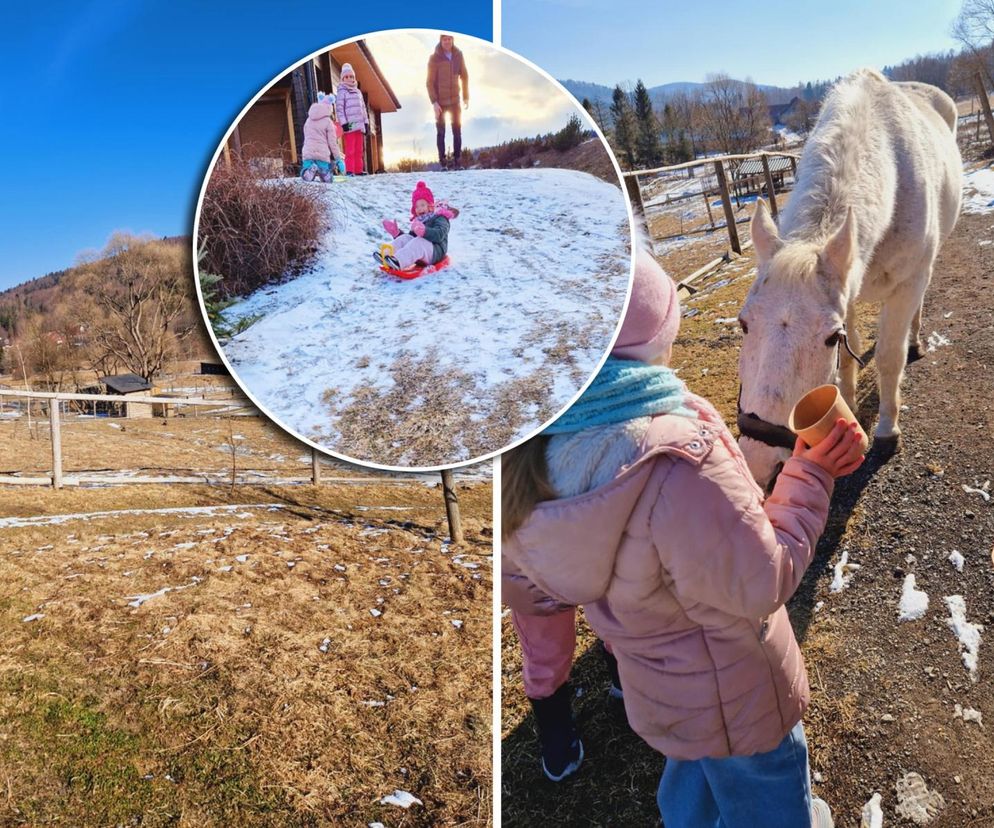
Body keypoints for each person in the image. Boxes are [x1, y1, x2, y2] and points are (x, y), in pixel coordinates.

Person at [502, 247, 864, 827]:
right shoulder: (675, 463)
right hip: (743, 701)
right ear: (650, 337)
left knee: (689, 787)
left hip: (664, 699)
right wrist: (812, 472)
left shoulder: (529, 461)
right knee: (770, 802)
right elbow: (763, 579)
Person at [374, 180, 456, 270]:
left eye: (422, 205)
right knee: (405, 238)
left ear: (430, 205)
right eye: (416, 206)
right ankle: (386, 255)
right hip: (421, 253)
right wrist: (397, 233)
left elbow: (439, 235)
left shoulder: (440, 217)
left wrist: (425, 231)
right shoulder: (419, 221)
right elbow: (410, 240)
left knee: (419, 241)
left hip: (435, 253)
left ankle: (398, 261)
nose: (419, 209)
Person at [426, 34, 469, 170]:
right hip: (440, 103)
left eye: (449, 39)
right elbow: (429, 83)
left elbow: (465, 76)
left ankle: (457, 162)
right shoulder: (434, 58)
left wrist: (466, 96)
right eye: (444, 39)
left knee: (457, 131)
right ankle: (443, 163)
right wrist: (434, 102)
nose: (447, 42)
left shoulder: (458, 55)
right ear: (440, 40)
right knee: (441, 132)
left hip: (455, 100)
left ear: (453, 40)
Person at [300, 92, 345, 183]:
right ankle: (325, 175)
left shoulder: (308, 120)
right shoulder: (328, 122)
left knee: (305, 174)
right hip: (322, 153)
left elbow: (306, 136)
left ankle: (310, 170)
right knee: (325, 176)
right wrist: (338, 159)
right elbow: (332, 143)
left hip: (308, 151)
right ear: (329, 108)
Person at [335, 63, 369, 175]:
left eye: (351, 76)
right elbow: (340, 109)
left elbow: (363, 108)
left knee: (359, 149)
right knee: (350, 149)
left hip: (359, 124)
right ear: (343, 78)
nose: (349, 79)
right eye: (347, 77)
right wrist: (343, 123)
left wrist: (366, 123)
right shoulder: (342, 92)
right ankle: (350, 170)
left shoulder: (358, 92)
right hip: (349, 124)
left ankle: (359, 170)